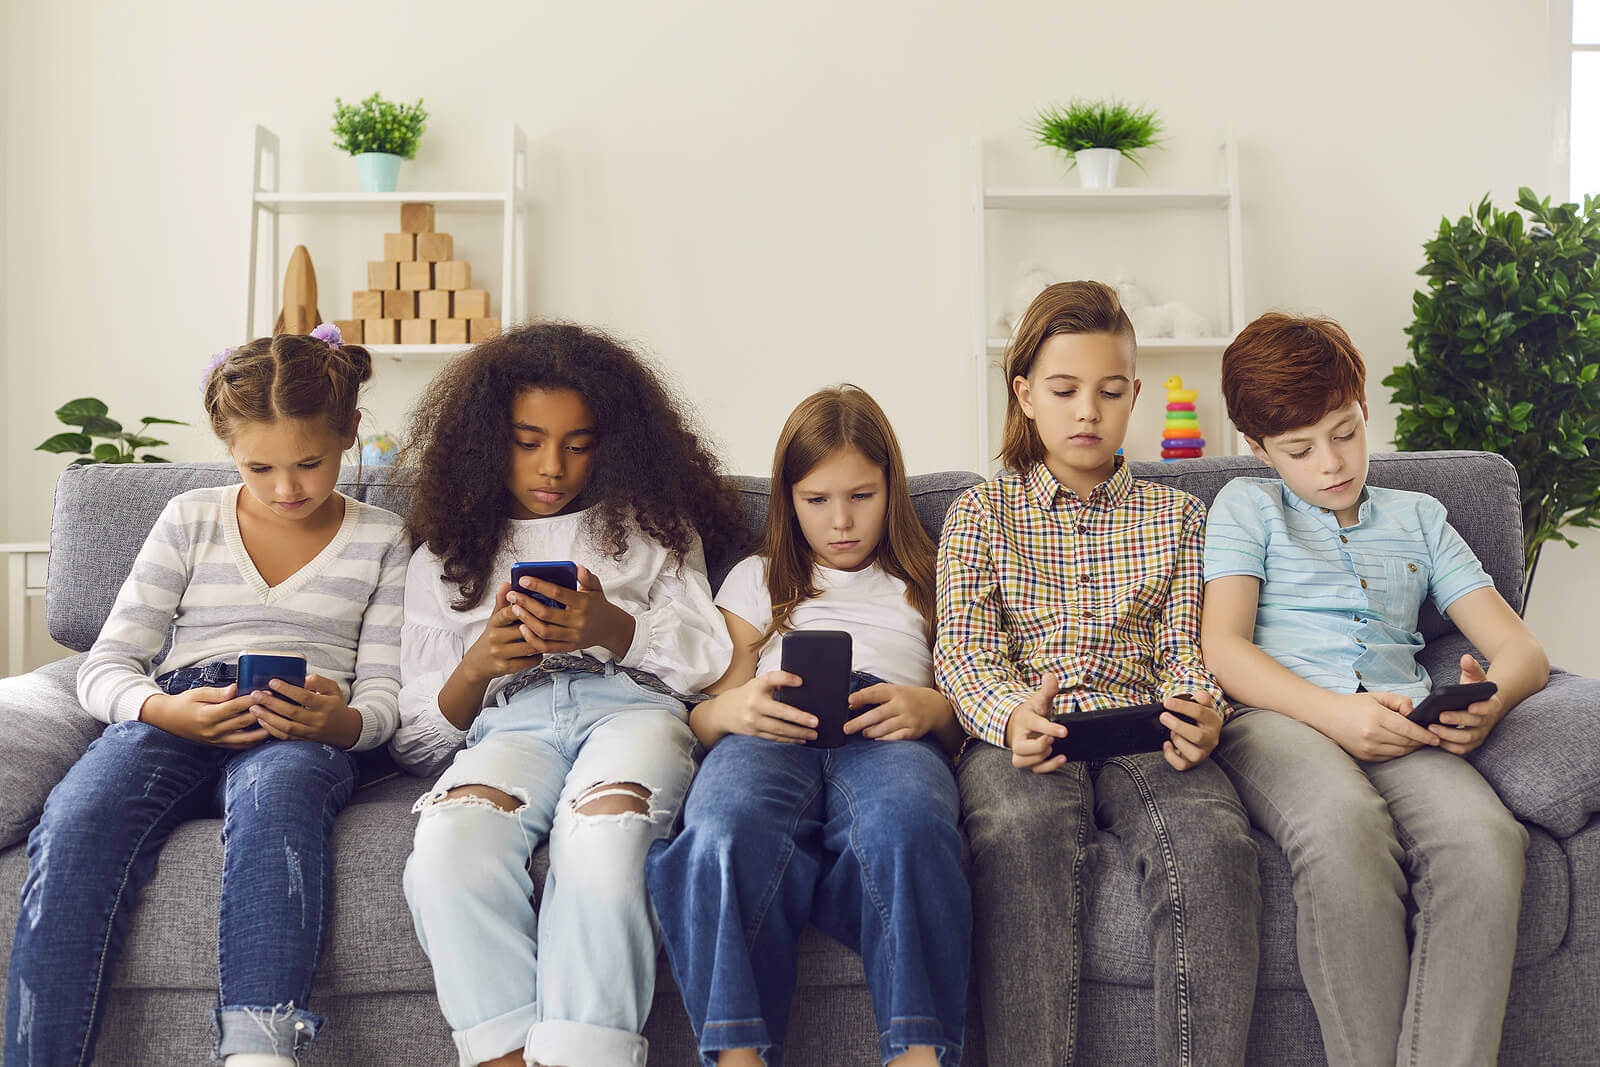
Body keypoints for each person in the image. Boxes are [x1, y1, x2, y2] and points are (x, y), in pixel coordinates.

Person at [4, 325, 409, 1067]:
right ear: (227, 446)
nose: (286, 488)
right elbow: (107, 665)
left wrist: (344, 720)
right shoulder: (190, 518)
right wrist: (161, 707)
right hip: (176, 708)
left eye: (310, 464)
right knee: (78, 818)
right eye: (260, 467)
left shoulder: (384, 538)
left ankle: (259, 1053)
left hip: (303, 722)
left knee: (280, 799)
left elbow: (387, 691)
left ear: (349, 432)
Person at [1200, 312, 1549, 1066]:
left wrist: (1491, 697)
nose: (1332, 461)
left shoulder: (1421, 517)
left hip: (1405, 722)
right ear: (1259, 449)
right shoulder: (1247, 506)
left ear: (1364, 411)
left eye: (1346, 432)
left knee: (1486, 842)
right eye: (1300, 448)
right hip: (1280, 718)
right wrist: (1335, 714)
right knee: (1343, 828)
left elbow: (1519, 647)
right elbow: (1222, 647)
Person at [392, 322, 739, 1067]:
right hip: (508, 724)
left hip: (633, 711)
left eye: (578, 444)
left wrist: (614, 626)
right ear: (488, 439)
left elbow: (711, 661)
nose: (554, 466)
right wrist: (477, 665)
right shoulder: (446, 555)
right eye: (528, 440)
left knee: (606, 844)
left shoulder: (652, 528)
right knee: (446, 850)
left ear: (610, 442)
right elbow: (413, 738)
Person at [937, 280, 1261, 1065]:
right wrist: (1012, 712)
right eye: (1064, 389)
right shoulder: (982, 513)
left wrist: (1198, 706)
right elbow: (964, 649)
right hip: (1027, 730)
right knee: (1017, 835)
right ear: (1024, 396)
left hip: (1145, 724)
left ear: (1135, 396)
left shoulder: (1179, 516)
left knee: (1214, 843)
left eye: (1110, 391)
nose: (1088, 410)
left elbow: (1191, 645)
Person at [647, 385, 970, 1067]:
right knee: (722, 830)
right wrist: (729, 712)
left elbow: (972, 694)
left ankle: (918, 1053)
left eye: (863, 495)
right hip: (770, 726)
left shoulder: (928, 573)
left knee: (910, 826)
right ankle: (738, 1055)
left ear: (893, 487)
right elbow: (709, 704)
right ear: (788, 498)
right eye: (816, 500)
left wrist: (935, 709)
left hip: (887, 725)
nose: (842, 521)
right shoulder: (757, 576)